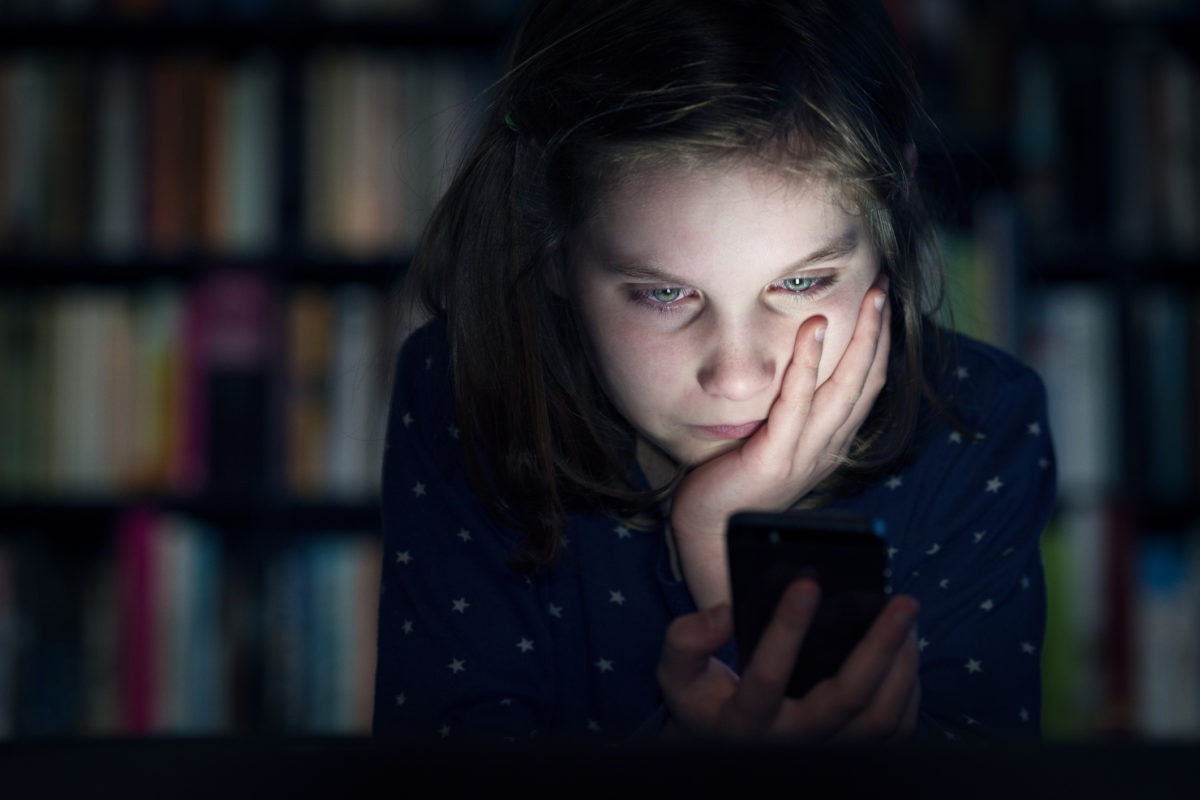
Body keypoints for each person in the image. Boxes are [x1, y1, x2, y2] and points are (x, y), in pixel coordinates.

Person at [373, 0, 1056, 745]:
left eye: (801, 284)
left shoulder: (976, 424)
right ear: (553, 244)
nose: (735, 377)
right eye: (666, 294)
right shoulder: (466, 390)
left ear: (891, 220)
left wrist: (721, 540)